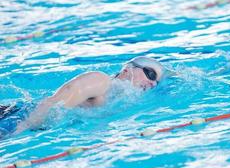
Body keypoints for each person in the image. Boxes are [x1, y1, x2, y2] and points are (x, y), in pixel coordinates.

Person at [0, 56, 170, 137]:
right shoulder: (100, 81)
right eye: (150, 74)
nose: (152, 83)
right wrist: (16, 132)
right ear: (127, 69)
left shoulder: (121, 99)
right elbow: (52, 104)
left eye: (156, 82)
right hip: (17, 117)